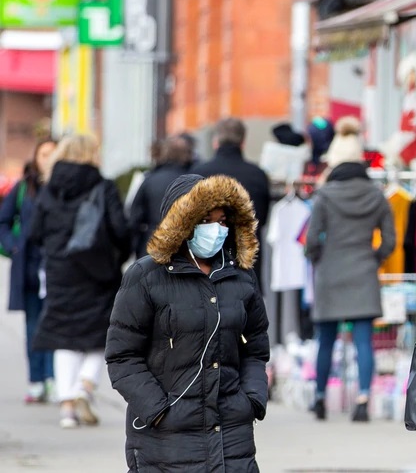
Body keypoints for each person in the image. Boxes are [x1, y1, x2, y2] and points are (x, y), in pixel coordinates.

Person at [105, 174, 270, 472]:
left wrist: (252, 399)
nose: (216, 230)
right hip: (165, 442)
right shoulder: (145, 277)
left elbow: (256, 348)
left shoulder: (241, 276)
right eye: (206, 219)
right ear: (182, 220)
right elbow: (122, 356)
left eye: (222, 221)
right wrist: (158, 409)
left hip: (232, 438)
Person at [29, 134, 131, 428]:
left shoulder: (50, 190)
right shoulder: (103, 186)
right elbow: (120, 230)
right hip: (97, 272)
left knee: (63, 337)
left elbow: (35, 232)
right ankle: (87, 385)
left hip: (61, 272)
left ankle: (67, 408)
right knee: (100, 333)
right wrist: (117, 258)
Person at [304, 127, 396, 422]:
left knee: (326, 341)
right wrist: (375, 258)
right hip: (363, 273)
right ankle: (362, 401)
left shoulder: (324, 196)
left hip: (330, 274)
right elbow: (390, 240)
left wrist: (317, 258)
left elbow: (311, 240)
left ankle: (319, 399)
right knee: (363, 342)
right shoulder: (377, 196)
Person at [0, 138, 57, 403]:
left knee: (56, 325)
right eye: (44, 153)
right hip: (29, 268)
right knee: (33, 325)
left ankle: (53, 378)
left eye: (53, 154)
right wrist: (13, 246)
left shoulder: (63, 186)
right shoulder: (24, 188)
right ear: (35, 157)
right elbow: (3, 220)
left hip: (57, 267)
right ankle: (36, 380)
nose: (48, 158)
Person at [193, 118, 270, 289]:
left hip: (206, 262)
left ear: (215, 142)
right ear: (243, 142)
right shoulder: (257, 175)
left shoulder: (198, 173)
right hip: (246, 262)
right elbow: (262, 219)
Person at [129, 134, 192, 258]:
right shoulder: (192, 182)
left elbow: (134, 218)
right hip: (184, 247)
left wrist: (135, 247)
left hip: (152, 244)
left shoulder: (149, 180)